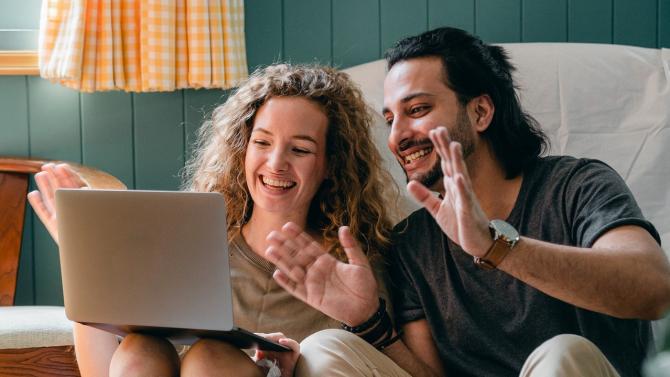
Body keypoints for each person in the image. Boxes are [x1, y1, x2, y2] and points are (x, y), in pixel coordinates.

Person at [263, 27, 670, 377]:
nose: (397, 137)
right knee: (325, 347)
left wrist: (496, 247)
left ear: (479, 111)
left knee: (563, 353)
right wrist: (371, 324)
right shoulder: (413, 243)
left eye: (418, 109)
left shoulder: (576, 186)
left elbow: (653, 290)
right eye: (391, 119)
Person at [27, 64, 396, 377]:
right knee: (140, 348)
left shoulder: (351, 273)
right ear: (242, 147)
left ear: (331, 164)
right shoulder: (194, 247)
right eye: (262, 142)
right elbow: (105, 369)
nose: (276, 163)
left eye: (300, 149)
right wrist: (82, 261)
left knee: (209, 359)